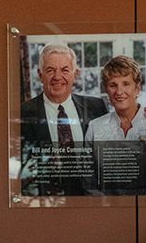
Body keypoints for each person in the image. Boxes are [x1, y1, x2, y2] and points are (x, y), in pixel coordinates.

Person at [20, 44, 107, 196]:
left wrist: (145, 116)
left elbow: (114, 147)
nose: (57, 77)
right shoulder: (23, 113)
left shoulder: (96, 107)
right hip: (47, 201)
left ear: (76, 74)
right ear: (40, 74)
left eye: (65, 69)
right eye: (50, 70)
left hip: (92, 199)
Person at [84, 55, 146, 195]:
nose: (119, 92)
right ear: (107, 90)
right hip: (106, 209)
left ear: (137, 88)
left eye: (126, 84)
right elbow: (88, 180)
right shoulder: (95, 127)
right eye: (113, 85)